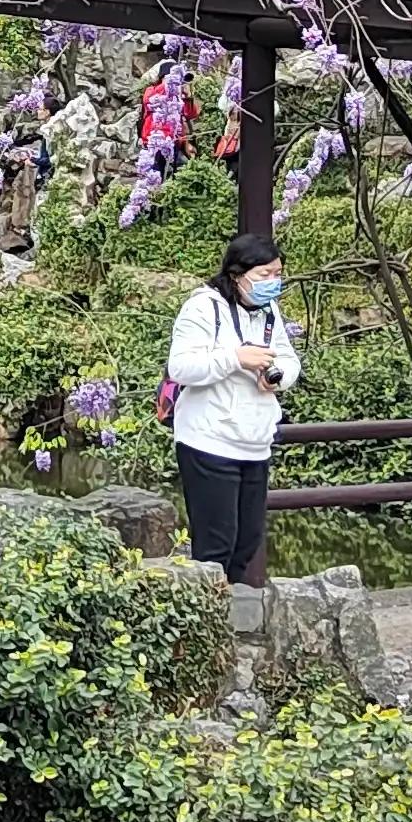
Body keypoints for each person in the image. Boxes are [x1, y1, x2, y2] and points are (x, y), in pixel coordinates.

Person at [166, 233, 299, 593]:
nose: (273, 282)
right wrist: (235, 358)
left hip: (254, 441)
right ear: (237, 274)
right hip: (208, 440)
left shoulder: (268, 311)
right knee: (216, 545)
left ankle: (231, 612)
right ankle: (207, 616)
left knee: (246, 542)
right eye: (264, 275)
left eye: (278, 274)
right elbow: (181, 367)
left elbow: (287, 358)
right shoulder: (203, 307)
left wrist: (278, 378)